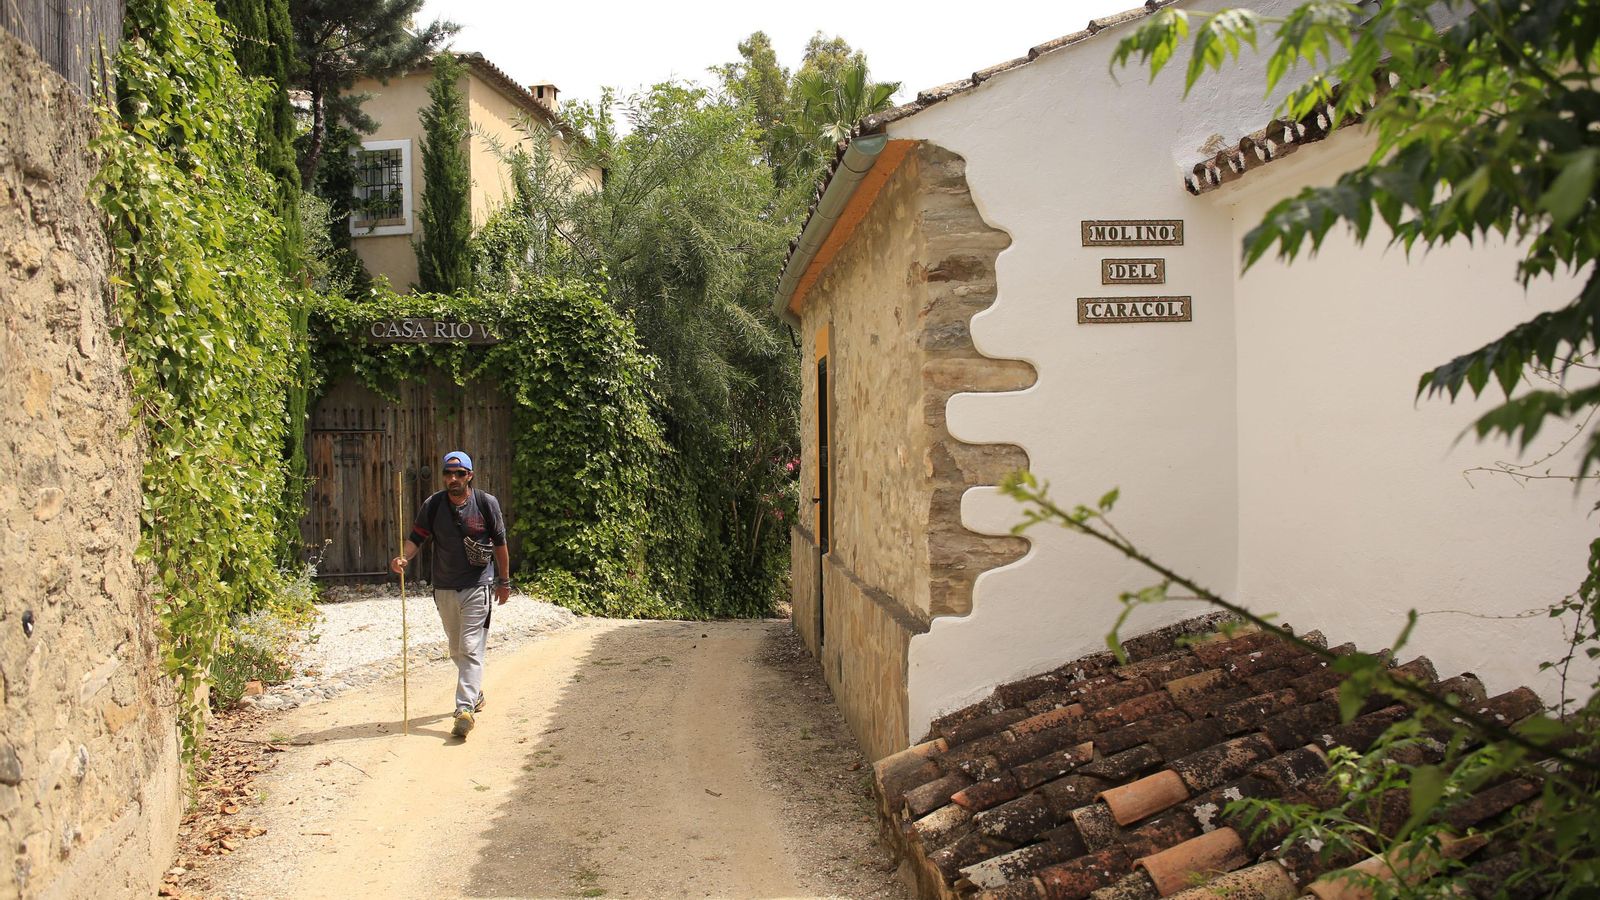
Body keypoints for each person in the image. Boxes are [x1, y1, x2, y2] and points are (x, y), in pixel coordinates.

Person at [389, 450, 511, 738]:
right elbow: (417, 538)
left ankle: (464, 709)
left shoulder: (486, 503)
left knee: (470, 647)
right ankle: (475, 693)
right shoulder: (433, 505)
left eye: (459, 473)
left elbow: (500, 544)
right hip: (443, 587)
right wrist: (404, 557)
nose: (453, 478)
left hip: (478, 585)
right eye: (448, 473)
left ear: (469, 476)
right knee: (456, 648)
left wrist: (504, 582)